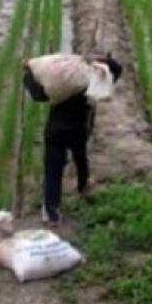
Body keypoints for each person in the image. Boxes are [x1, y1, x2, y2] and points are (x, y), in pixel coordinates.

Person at [23, 52, 123, 225]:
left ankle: (52, 212)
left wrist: (28, 75)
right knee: (81, 157)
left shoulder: (68, 82)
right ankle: (83, 186)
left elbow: (39, 95)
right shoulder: (93, 85)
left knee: (53, 171)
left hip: (56, 131)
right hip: (78, 130)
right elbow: (115, 71)